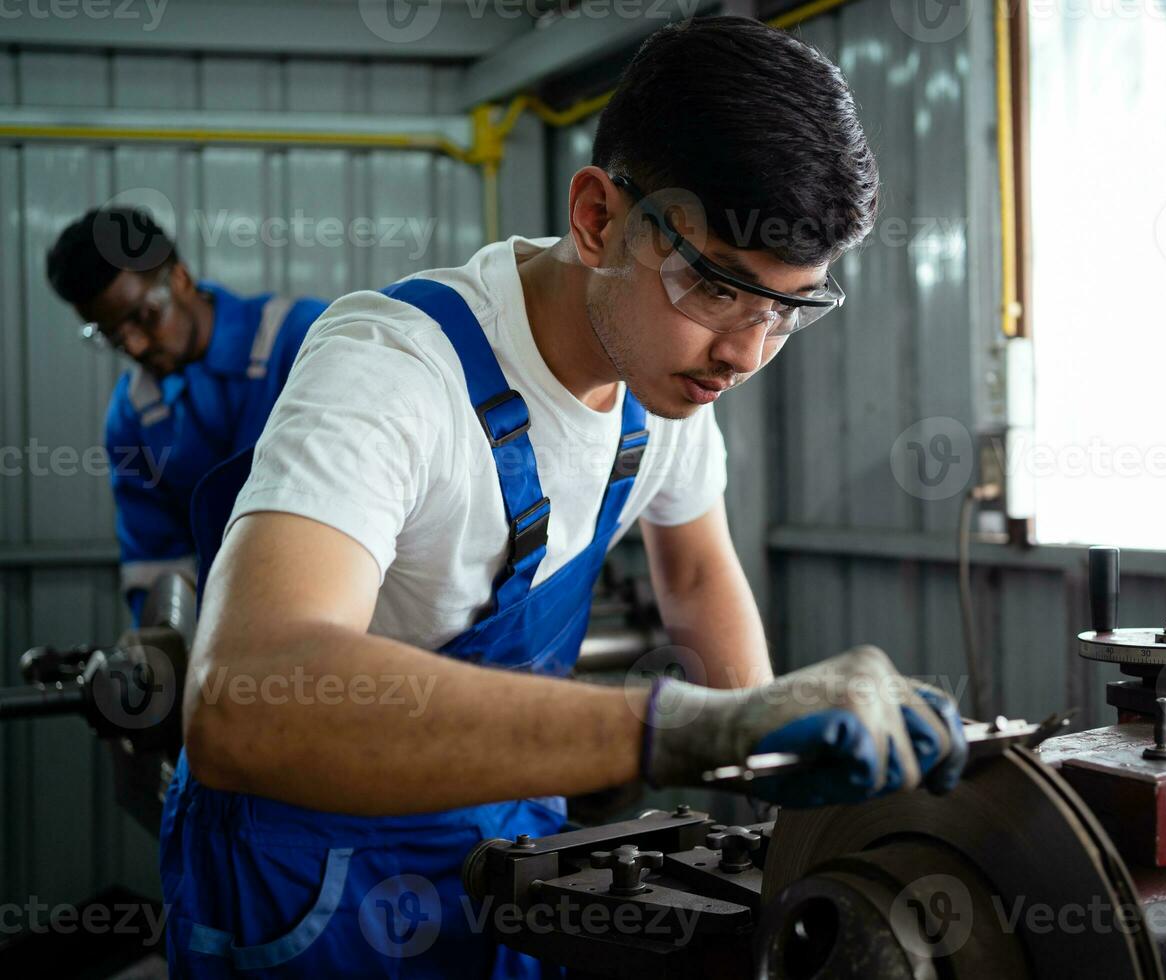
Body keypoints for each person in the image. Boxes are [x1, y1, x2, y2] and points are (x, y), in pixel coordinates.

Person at [163, 17, 968, 978]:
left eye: (785, 312)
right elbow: (243, 703)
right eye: (718, 291)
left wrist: (793, 793)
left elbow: (701, 575)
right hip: (306, 881)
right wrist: (684, 730)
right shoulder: (390, 370)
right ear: (597, 220)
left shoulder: (667, 380)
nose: (745, 355)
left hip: (504, 854)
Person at [46, 208, 326, 622]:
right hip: (247, 630)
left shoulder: (305, 338)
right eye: (111, 335)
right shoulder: (133, 418)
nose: (136, 347)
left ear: (179, 278)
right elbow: (156, 559)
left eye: (144, 316)